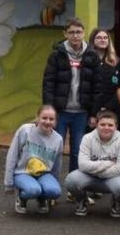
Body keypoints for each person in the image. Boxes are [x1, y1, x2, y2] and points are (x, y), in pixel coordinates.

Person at [42, 17, 99, 174]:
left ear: (84, 33)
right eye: (72, 32)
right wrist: (49, 110)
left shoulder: (92, 56)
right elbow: (48, 83)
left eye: (79, 32)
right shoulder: (56, 55)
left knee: (77, 151)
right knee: (55, 150)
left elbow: (97, 87)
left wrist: (94, 114)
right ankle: (51, 186)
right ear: (65, 33)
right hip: (60, 112)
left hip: (81, 113)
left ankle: (73, 187)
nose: (75, 35)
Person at [64, 110, 120, 217]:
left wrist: (95, 168)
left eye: (110, 125)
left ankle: (116, 202)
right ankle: (82, 200)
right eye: (102, 124)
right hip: (90, 177)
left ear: (116, 126)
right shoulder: (87, 138)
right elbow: (82, 165)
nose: (106, 127)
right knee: (71, 180)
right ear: (96, 125)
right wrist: (107, 164)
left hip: (111, 179)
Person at [4, 105, 63, 214]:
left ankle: (42, 199)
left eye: (51, 119)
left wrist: (55, 182)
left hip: (44, 174)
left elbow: (57, 164)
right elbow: (12, 155)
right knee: (34, 190)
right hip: (23, 172)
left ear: (55, 121)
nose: (47, 122)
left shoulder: (58, 139)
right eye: (44, 118)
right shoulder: (25, 130)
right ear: (37, 118)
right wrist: (9, 183)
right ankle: (22, 198)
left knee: (55, 191)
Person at [89, 28, 119, 117]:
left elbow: (119, 88)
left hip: (112, 109)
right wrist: (94, 111)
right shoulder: (87, 60)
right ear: (92, 41)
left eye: (105, 38)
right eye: (99, 38)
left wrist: (107, 107)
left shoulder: (116, 62)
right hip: (91, 110)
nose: (102, 40)